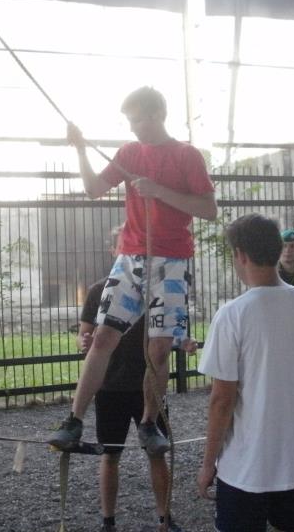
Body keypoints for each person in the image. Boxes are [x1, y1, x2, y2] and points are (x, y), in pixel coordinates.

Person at [49, 86, 217, 457]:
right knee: (103, 337)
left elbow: (209, 209)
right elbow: (94, 189)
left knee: (159, 348)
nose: (132, 127)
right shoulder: (128, 152)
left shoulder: (186, 155)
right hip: (130, 258)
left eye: (137, 119)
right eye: (129, 120)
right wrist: (80, 149)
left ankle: (148, 423)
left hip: (172, 261)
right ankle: (73, 420)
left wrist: (159, 191)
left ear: (157, 115)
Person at [196, 214, 294, 532]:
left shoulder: (232, 314)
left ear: (240, 254)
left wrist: (208, 463)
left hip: (247, 464)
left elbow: (221, 401)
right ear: (278, 249)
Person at [78, 228, 194, 532]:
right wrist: (85, 341)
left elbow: (175, 329)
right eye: (126, 248)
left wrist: (184, 341)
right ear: (115, 253)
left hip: (148, 389)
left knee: (156, 453)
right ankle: (108, 521)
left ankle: (165, 518)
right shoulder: (98, 290)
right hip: (110, 386)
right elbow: (85, 332)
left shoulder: (160, 288)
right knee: (110, 455)